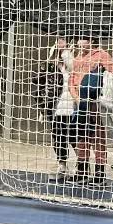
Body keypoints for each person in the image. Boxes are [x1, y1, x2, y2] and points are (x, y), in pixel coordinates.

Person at [40, 38, 77, 183]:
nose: (58, 42)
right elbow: (44, 82)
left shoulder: (72, 56)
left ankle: (82, 165)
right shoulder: (53, 62)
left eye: (62, 40)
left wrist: (65, 51)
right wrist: (44, 108)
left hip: (70, 104)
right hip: (56, 106)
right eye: (58, 40)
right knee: (58, 136)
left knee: (73, 136)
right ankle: (62, 164)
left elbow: (73, 67)